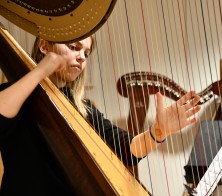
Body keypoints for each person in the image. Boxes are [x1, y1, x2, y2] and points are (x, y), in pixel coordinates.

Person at [0, 36, 201, 195]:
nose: (81, 57)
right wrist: (43, 68)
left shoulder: (84, 109)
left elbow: (124, 147)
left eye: (86, 53)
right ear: (44, 45)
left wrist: (158, 131)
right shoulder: (15, 95)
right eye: (73, 47)